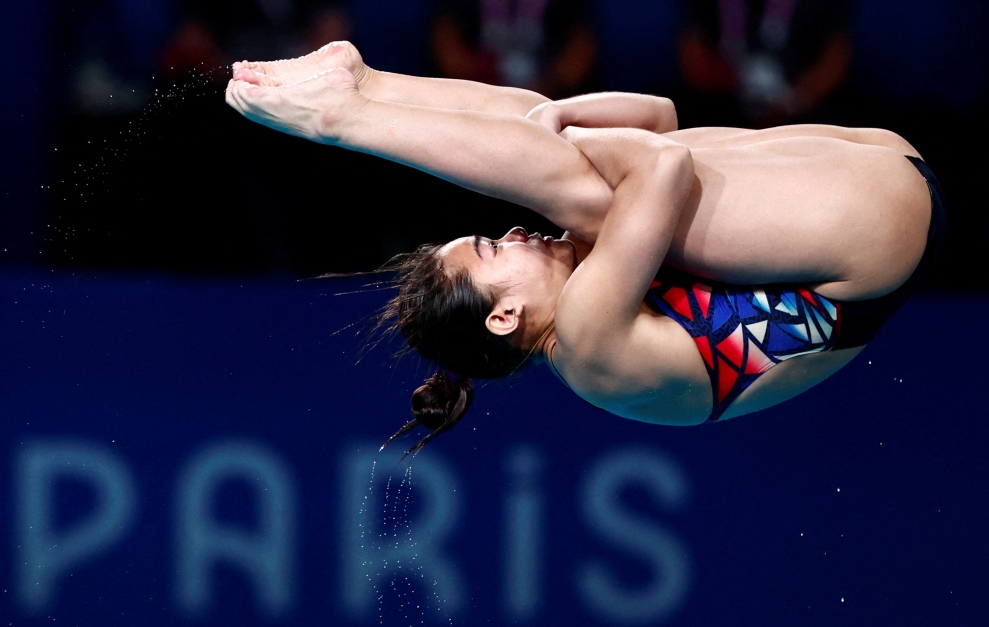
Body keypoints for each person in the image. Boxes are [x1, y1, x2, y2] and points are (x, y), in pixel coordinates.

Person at [225, 42, 943, 456]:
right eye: (490, 248)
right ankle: (346, 119)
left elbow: (658, 118)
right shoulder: (587, 344)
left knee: (585, 174)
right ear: (503, 318)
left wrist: (556, 123)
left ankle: (368, 83)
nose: (510, 233)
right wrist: (558, 141)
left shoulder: (587, 271)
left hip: (879, 176)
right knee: (585, 184)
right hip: (875, 243)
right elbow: (662, 164)